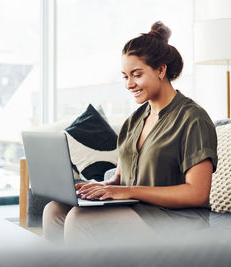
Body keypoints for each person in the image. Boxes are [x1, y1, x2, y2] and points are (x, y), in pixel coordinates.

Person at [43, 21, 218, 245]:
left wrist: (129, 192)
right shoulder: (134, 120)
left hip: (176, 221)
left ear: (161, 70)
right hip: (136, 210)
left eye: (136, 74)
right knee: (55, 210)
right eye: (125, 76)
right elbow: (120, 179)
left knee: (81, 219)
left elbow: (197, 193)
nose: (129, 84)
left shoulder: (192, 118)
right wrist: (101, 188)